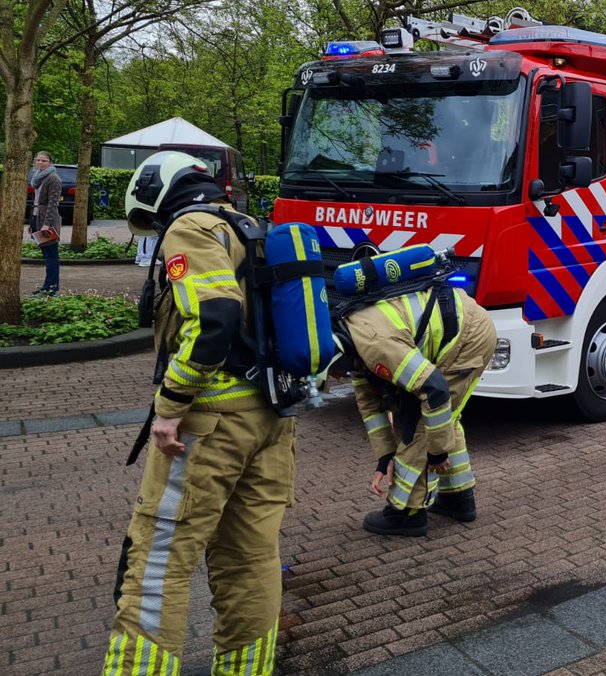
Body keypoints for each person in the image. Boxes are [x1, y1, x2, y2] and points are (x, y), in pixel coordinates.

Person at [103, 151, 296, 676]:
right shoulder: (247, 225)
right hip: (271, 417)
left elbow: (215, 315)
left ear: (153, 190)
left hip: (209, 423)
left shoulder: (189, 228)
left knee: (159, 558)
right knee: (250, 557)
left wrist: (170, 407)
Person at [332, 276, 497, 537]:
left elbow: (435, 390)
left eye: (335, 373)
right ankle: (458, 497)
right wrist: (385, 455)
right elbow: (370, 405)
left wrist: (438, 454)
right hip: (457, 329)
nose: (338, 378)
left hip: (470, 336)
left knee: (422, 426)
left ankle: (405, 513)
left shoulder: (374, 344)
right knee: (441, 420)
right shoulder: (354, 339)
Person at [29, 151, 62, 296]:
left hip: (47, 221)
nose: (40, 163)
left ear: (50, 163)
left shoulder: (53, 178)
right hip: (37, 218)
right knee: (46, 253)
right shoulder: (37, 178)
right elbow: (35, 202)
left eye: (44, 160)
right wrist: (32, 223)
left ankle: (51, 288)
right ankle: (47, 286)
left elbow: (52, 204)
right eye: (38, 160)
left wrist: (46, 224)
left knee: (51, 255)